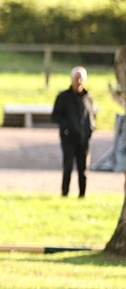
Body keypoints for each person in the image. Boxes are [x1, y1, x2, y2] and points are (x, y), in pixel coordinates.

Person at [51, 66, 97, 197]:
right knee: (68, 167)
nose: (79, 81)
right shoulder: (63, 97)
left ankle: (82, 194)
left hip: (84, 139)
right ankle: (64, 193)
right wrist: (67, 127)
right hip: (69, 139)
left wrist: (90, 129)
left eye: (81, 79)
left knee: (83, 169)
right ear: (71, 79)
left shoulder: (88, 97)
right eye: (76, 79)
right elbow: (55, 116)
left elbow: (91, 116)